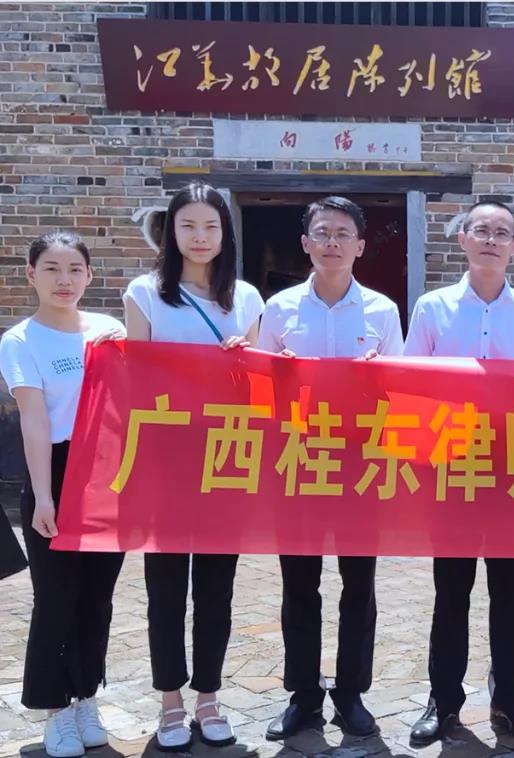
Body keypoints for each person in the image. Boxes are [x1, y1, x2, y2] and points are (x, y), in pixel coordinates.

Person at [405, 200, 514, 747]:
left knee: (509, 593)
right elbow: (410, 386)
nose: (491, 239)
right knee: (451, 591)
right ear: (462, 239)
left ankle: (510, 700)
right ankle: (442, 700)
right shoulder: (432, 309)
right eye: (481, 230)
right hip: (451, 470)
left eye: (502, 232)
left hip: (513, 471)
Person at [124, 182, 264, 751]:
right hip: (165, 460)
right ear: (171, 231)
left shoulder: (246, 299)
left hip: (225, 460)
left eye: (211, 226)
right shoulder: (145, 293)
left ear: (225, 233)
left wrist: (243, 366)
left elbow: (258, 390)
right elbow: (135, 377)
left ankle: (208, 696)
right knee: (164, 589)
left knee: (216, 588)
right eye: (188, 226)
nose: (200, 237)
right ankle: (170, 701)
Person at [258, 196, 403, 740]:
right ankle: (303, 694)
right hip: (297, 462)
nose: (332, 243)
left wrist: (378, 379)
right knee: (299, 584)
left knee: (358, 585)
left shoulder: (383, 312)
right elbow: (258, 392)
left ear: (360, 246)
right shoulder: (279, 310)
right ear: (306, 243)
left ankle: (351, 692)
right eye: (322, 232)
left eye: (343, 234)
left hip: (361, 465)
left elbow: (403, 392)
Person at [0, 231, 126, 757]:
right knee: (55, 597)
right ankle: (55, 710)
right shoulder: (20, 340)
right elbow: (32, 419)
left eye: (74, 269)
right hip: (52, 468)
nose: (64, 280)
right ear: (31, 275)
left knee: (98, 596)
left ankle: (86, 697)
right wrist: (43, 496)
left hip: (108, 471)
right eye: (51, 269)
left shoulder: (109, 330)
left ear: (89, 275)